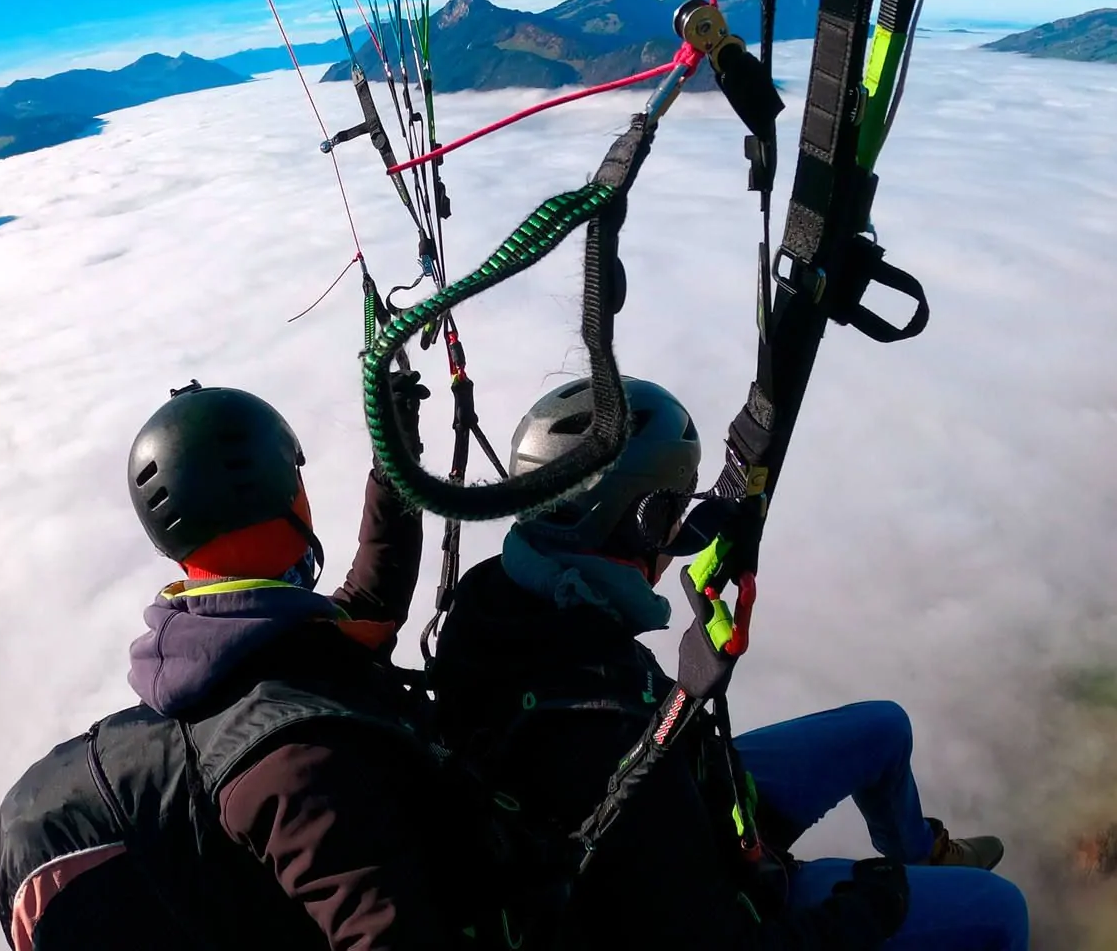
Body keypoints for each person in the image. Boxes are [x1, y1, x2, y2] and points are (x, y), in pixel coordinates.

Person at [428, 376, 1030, 951]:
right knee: (1000, 912)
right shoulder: (603, 745)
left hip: (694, 789)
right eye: (671, 512)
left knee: (883, 728)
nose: (677, 532)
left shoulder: (505, 596)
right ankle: (926, 904)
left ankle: (922, 855)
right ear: (637, 522)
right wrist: (876, 904)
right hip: (712, 880)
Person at [0, 377, 477, 951]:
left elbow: (366, 608)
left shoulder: (222, 650)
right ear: (285, 494)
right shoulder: (296, 758)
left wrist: (394, 464)